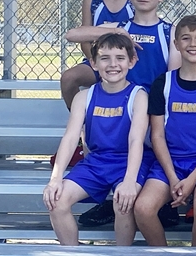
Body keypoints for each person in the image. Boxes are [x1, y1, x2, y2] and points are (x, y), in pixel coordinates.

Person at [65, 0, 182, 227]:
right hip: (119, 103)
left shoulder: (169, 31)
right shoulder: (118, 27)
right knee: (111, 152)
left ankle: (161, 203)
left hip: (151, 108)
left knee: (157, 144)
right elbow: (72, 34)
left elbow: (172, 78)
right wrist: (117, 32)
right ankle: (110, 202)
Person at [134, 16, 196, 246]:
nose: (192, 44)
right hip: (171, 162)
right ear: (176, 44)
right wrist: (172, 177)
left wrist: (191, 181)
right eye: (186, 38)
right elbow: (156, 135)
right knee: (143, 208)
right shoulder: (163, 83)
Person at [43, 33, 149, 246]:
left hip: (128, 163)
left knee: (123, 202)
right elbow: (71, 137)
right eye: (104, 58)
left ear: (132, 61)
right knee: (57, 201)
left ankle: (122, 252)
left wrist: (129, 181)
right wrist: (56, 178)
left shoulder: (138, 95)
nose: (113, 65)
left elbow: (136, 140)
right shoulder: (84, 97)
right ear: (93, 63)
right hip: (97, 162)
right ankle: (72, 251)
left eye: (120, 58)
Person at [60, 0, 134, 111]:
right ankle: (82, 124)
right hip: (98, 61)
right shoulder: (91, 1)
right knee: (68, 78)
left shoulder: (135, 0)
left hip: (129, 63)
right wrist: (98, 64)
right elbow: (85, 39)